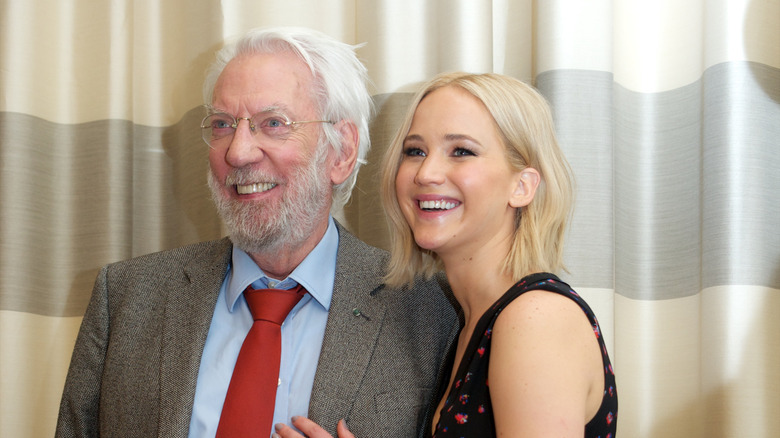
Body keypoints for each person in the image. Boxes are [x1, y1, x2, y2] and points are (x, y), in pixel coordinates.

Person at [55, 27, 458, 438]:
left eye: (274, 123)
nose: (238, 151)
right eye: (223, 124)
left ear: (341, 151)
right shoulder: (126, 298)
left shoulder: (432, 310)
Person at [275, 72, 617, 438]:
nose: (426, 172)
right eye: (415, 151)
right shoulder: (474, 318)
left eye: (462, 151)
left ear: (521, 186)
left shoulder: (535, 319)